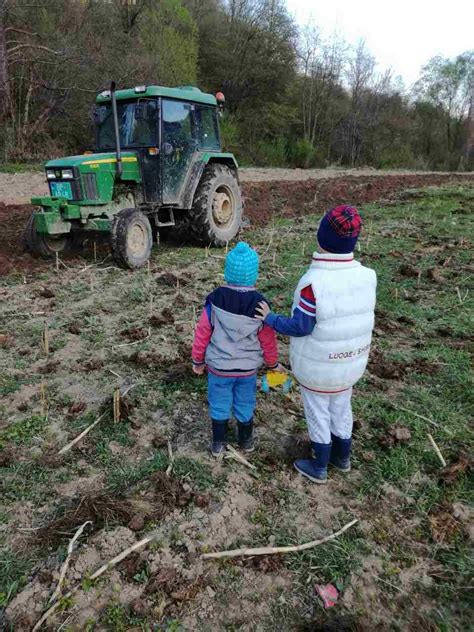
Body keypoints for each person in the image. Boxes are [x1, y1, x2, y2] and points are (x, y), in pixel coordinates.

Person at [256, 206, 376, 484]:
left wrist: (270, 319)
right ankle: (342, 458)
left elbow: (301, 326)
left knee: (318, 412)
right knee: (342, 409)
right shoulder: (367, 276)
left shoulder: (314, 283)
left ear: (321, 238)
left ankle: (319, 465)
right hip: (350, 365)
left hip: (319, 369)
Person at [192, 242, 280, 457]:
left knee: (219, 402)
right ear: (254, 274)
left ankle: (218, 443)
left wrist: (198, 360)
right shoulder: (261, 306)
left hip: (219, 368)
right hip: (247, 370)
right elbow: (268, 339)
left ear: (227, 272)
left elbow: (202, 332)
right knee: (245, 402)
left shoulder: (215, 300)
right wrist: (272, 364)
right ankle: (246, 441)